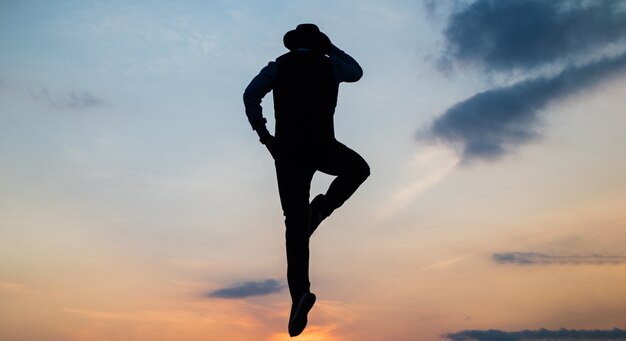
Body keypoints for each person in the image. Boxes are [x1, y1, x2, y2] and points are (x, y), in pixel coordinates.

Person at [243, 23, 370, 337]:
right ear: (318, 44)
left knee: (295, 226)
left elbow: (250, 95)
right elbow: (356, 72)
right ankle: (321, 210)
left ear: (293, 45)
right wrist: (332, 49)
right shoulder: (330, 66)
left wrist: (264, 135)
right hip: (321, 144)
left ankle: (299, 294)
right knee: (358, 170)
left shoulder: (277, 67)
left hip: (286, 150)